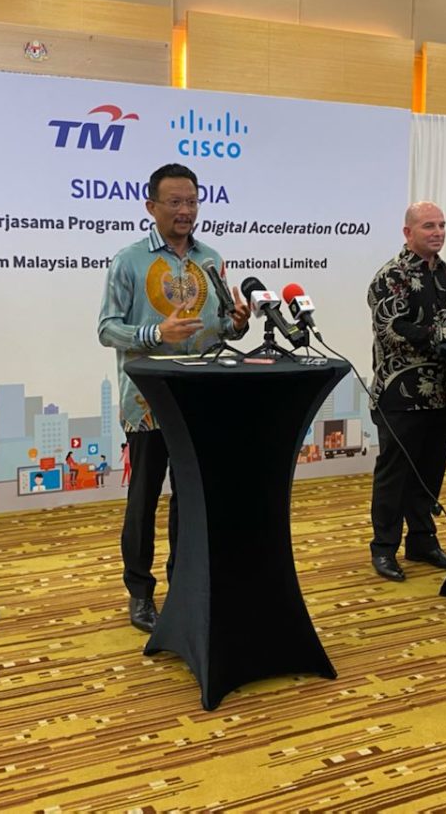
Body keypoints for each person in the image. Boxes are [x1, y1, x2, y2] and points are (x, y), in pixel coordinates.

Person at [98, 163, 251, 632]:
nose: (185, 211)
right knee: (143, 499)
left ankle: (183, 582)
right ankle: (140, 592)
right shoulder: (128, 261)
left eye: (192, 202)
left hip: (201, 398)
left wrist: (237, 324)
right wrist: (155, 333)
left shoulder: (211, 259)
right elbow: (107, 329)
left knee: (192, 498)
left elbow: (221, 327)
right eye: (175, 202)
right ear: (151, 206)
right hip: (148, 401)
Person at [366, 201, 446, 581]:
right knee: (395, 475)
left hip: (443, 392)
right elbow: (392, 329)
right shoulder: (391, 276)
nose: (438, 232)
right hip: (400, 393)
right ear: (408, 232)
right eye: (429, 226)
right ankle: (384, 548)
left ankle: (422, 541)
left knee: (430, 473)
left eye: (442, 225)